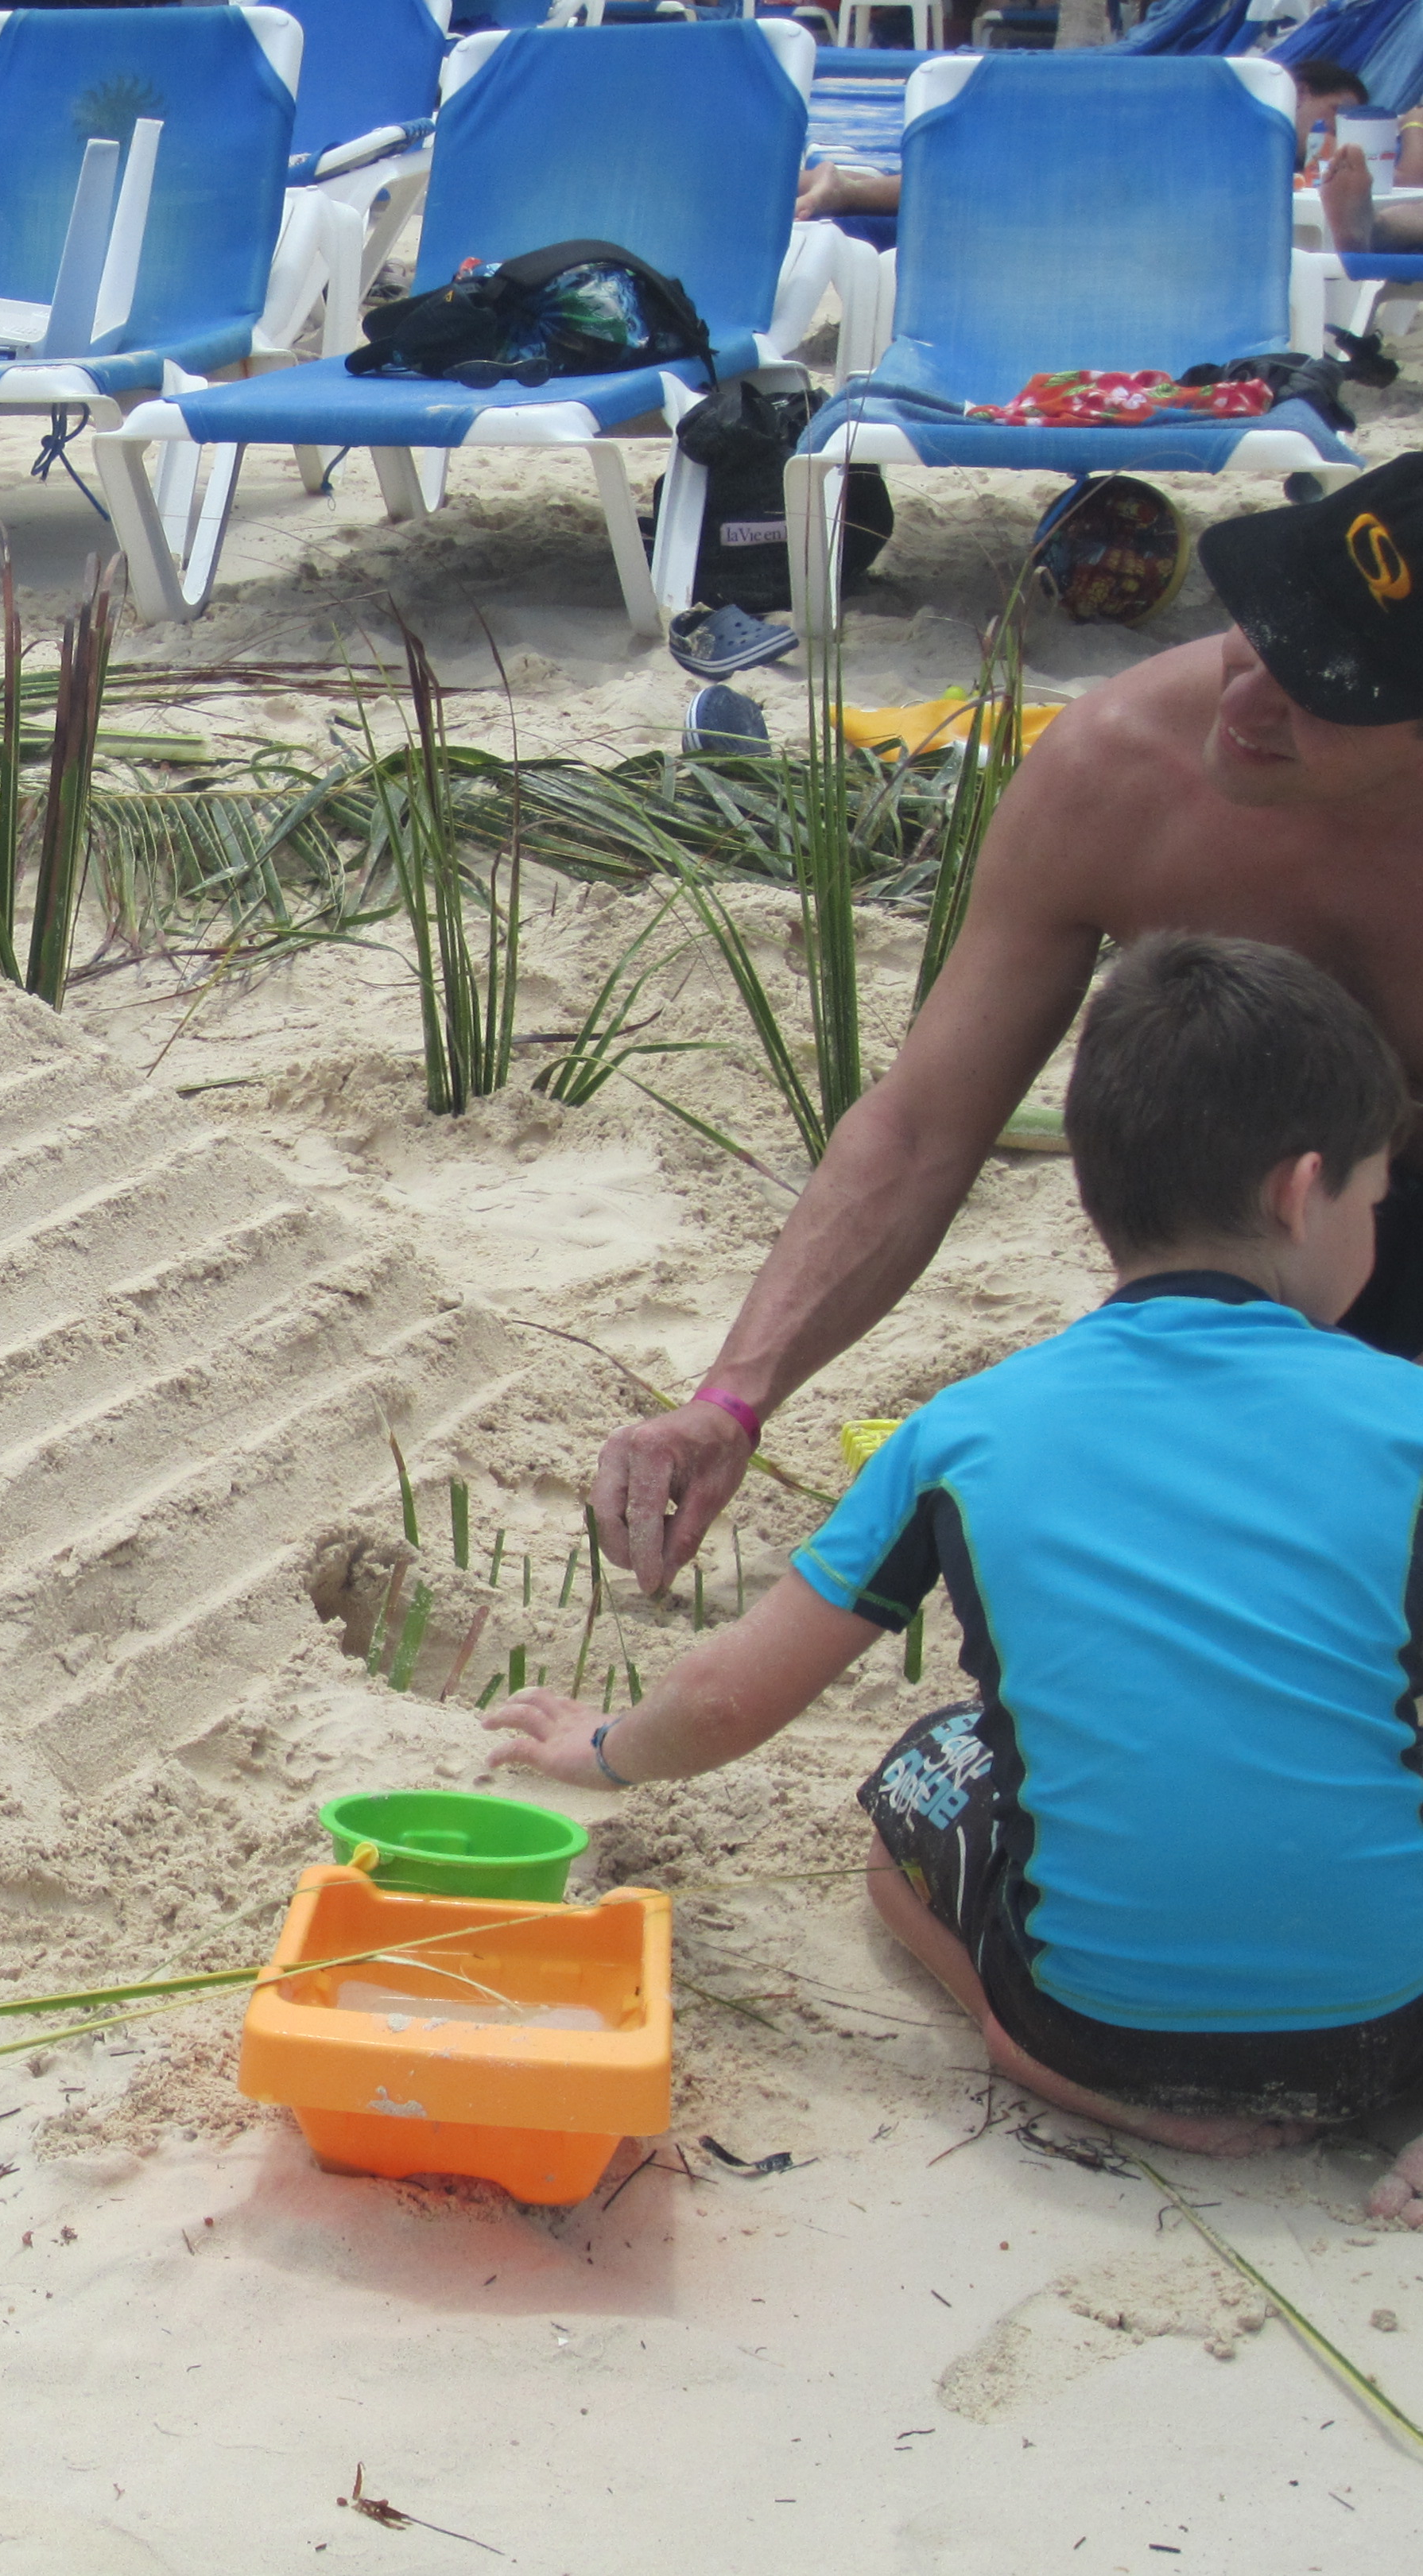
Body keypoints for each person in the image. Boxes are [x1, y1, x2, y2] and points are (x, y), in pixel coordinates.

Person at [501, 935, 1423, 2213]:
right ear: (1302, 1192)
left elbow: (726, 1699)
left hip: (1099, 2032)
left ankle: (1023, 2040)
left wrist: (599, 1750)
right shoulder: (1405, 1413)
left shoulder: (967, 1429)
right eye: (1377, 1200)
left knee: (918, 1788)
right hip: (1381, 2038)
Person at [589, 452, 1423, 1596]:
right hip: (1276, 1244)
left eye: (1321, 690)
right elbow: (924, 1126)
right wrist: (732, 1400)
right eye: (1257, 634)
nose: (1242, 705)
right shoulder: (1122, 768)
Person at [798, 62, 1370, 224]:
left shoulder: (1280, 153)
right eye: (1336, 112)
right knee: (974, 188)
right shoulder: (1248, 119)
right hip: (1094, 174)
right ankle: (839, 190)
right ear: (1300, 90)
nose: (1339, 129)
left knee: (969, 187)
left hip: (1099, 186)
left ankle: (833, 186)